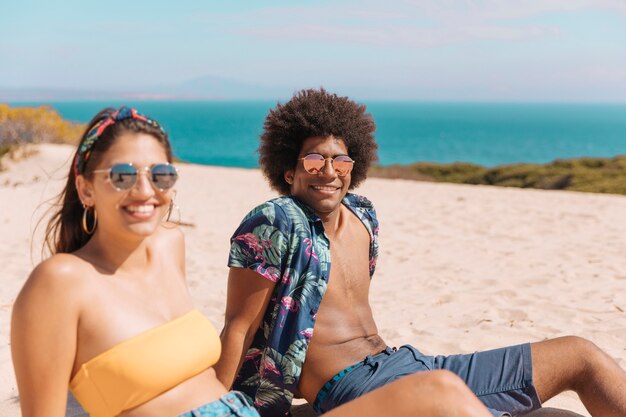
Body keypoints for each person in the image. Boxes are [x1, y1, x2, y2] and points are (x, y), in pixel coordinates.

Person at [11, 106, 495, 417]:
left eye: (160, 174)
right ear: (85, 188)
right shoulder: (59, 282)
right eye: (121, 175)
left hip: (238, 411)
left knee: (440, 392)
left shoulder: (167, 247)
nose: (144, 191)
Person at [215, 88, 626, 417]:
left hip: (409, 363)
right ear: (288, 170)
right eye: (313, 159)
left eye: (340, 159)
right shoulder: (276, 221)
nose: (328, 171)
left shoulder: (363, 215)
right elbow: (239, 326)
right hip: (351, 388)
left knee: (580, 354)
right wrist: (215, 407)